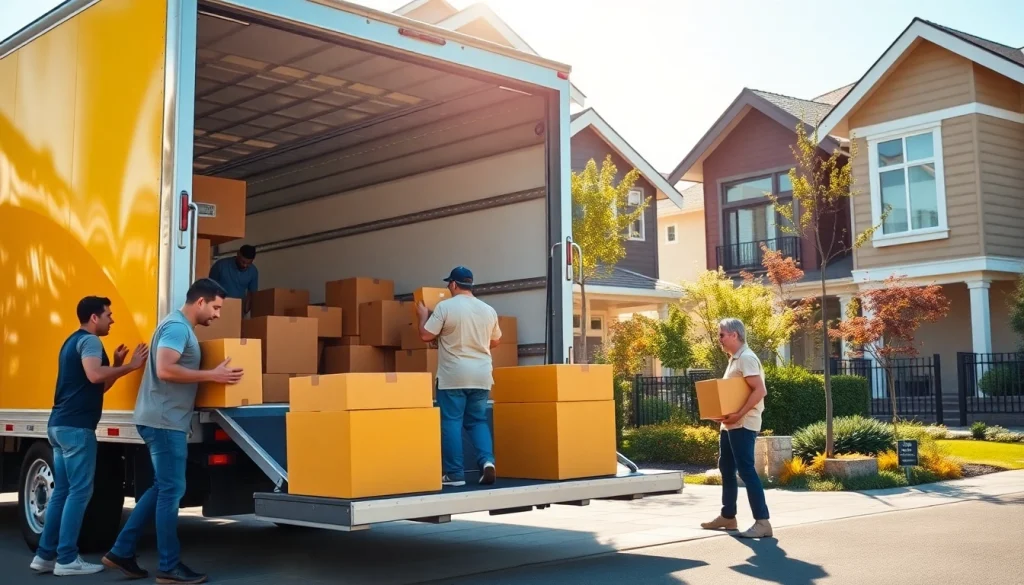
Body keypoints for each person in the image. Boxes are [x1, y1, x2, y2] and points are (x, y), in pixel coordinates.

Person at [102, 279, 244, 584]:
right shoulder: (177, 328)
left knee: (162, 488)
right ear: (200, 302)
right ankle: (168, 566)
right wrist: (213, 375)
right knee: (171, 491)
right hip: (164, 422)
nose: (218, 314)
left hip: (163, 419)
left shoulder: (179, 327)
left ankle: (121, 551)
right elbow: (165, 369)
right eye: (216, 307)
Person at [29, 297, 149, 576]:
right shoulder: (91, 342)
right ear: (94, 318)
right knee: (80, 492)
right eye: (108, 314)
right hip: (76, 429)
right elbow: (95, 376)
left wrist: (117, 365)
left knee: (62, 492)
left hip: (59, 426)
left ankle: (45, 556)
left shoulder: (71, 342)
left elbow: (97, 386)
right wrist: (130, 366)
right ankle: (67, 559)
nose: (112, 319)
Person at [416, 266, 500, 487]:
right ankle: (487, 462)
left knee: (452, 422)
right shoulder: (488, 310)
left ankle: (455, 474)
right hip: (482, 376)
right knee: (478, 421)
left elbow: (426, 335)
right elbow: (496, 341)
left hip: (453, 376)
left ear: (453, 284)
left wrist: (423, 316)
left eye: (448, 284)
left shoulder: (445, 307)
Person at [700, 317, 773, 538]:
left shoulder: (747, 359)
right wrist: (721, 414)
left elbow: (760, 391)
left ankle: (762, 522)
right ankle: (728, 517)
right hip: (730, 424)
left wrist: (738, 414)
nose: (719, 339)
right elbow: (735, 393)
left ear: (734, 335)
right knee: (727, 469)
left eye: (722, 334)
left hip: (743, 423)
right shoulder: (734, 359)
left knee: (746, 470)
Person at [207, 244, 258, 315]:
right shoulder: (220, 265)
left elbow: (252, 293)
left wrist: (246, 310)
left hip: (239, 310)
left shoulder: (253, 271)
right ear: (238, 254)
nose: (245, 265)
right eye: (243, 262)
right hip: (219, 308)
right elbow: (209, 288)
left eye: (249, 263)